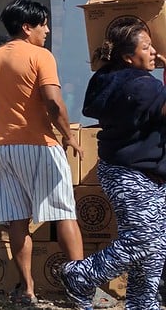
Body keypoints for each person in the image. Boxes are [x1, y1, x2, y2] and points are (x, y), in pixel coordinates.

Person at [0, 0, 85, 306]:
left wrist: (6, 116)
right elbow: (53, 102)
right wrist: (68, 136)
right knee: (64, 213)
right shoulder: (41, 56)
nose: (46, 31)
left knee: (17, 219)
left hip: (3, 147)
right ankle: (80, 287)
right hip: (40, 144)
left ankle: (27, 289)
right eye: (43, 25)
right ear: (27, 27)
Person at [52, 17, 164, 308]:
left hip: (128, 171)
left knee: (153, 249)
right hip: (134, 174)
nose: (154, 51)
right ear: (128, 57)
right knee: (142, 240)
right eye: (147, 47)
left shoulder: (107, 77)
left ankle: (143, 305)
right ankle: (81, 275)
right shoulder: (142, 87)